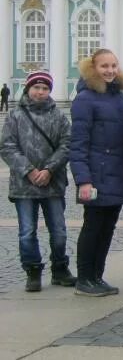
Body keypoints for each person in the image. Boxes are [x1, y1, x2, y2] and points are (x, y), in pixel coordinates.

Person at [1, 70, 75, 292]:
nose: (40, 92)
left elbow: (67, 144)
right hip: (24, 185)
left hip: (52, 183)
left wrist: (49, 169)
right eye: (36, 87)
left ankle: (60, 268)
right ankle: (32, 270)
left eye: (45, 88)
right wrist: (30, 171)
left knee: (59, 231)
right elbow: (7, 146)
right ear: (28, 88)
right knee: (27, 232)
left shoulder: (58, 116)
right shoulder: (15, 116)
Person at [70, 49, 123, 297]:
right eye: (104, 66)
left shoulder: (119, 97)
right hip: (96, 174)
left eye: (113, 66)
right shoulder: (85, 99)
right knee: (93, 227)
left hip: (116, 173)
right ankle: (84, 278)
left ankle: (97, 275)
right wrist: (83, 180)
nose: (110, 70)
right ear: (93, 68)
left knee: (108, 227)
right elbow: (78, 144)